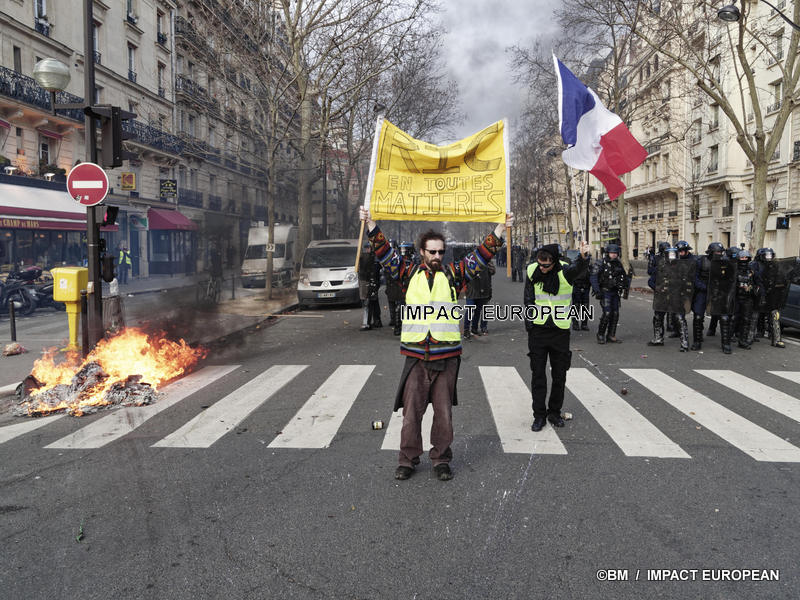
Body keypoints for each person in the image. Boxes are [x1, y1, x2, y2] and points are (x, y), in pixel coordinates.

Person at [360, 206, 513, 481]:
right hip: (416, 356)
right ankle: (407, 459)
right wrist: (371, 224)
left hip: (446, 356)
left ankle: (441, 459)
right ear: (422, 252)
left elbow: (481, 256)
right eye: (432, 252)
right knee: (411, 414)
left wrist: (500, 229)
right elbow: (385, 254)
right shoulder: (408, 274)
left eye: (441, 252)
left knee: (443, 415)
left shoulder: (454, 275)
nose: (437, 256)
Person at [524, 241, 591, 431]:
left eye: (546, 265)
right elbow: (528, 299)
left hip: (560, 331)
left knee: (559, 375)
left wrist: (584, 257)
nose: (543, 268)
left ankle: (554, 412)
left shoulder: (565, 271)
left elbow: (579, 269)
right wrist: (529, 325)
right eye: (540, 263)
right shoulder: (532, 271)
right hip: (538, 330)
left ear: (554, 261)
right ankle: (539, 415)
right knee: (538, 376)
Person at [590, 243, 631, 344]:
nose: (614, 255)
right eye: (612, 253)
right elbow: (593, 276)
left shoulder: (618, 263)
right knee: (607, 313)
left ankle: (611, 335)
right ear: (607, 253)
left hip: (615, 292)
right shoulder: (601, 263)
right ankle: (600, 334)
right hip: (605, 291)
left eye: (615, 253)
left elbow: (623, 277)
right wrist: (597, 290)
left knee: (615, 314)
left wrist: (626, 283)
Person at [690, 242, 724, 350]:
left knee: (724, 317)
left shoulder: (724, 262)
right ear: (711, 252)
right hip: (703, 291)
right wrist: (703, 287)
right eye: (717, 252)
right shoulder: (701, 261)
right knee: (698, 316)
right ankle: (697, 341)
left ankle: (726, 343)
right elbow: (694, 277)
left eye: (720, 252)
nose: (719, 254)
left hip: (717, 292)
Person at [463, 259, 495, 338]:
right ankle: (466, 330)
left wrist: (489, 264)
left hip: (483, 290)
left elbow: (492, 272)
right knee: (470, 310)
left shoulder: (487, 261)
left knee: (478, 311)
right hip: (472, 290)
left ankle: (474, 329)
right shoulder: (470, 260)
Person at [733, 250, 758, 349]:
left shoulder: (752, 271)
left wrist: (753, 289)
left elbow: (758, 283)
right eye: (742, 257)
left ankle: (742, 341)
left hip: (748, 298)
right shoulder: (734, 269)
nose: (744, 259)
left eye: (745, 258)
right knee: (733, 319)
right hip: (736, 297)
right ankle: (727, 340)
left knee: (746, 320)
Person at [358, 242, 382, 330]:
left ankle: (367, 323)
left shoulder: (373, 258)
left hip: (372, 281)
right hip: (371, 280)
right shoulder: (368, 257)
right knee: (374, 301)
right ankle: (377, 321)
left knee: (368, 301)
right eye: (366, 248)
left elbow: (374, 270)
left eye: (368, 248)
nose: (367, 249)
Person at [570, 247, 591, 331]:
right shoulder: (576, 263)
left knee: (585, 306)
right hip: (577, 286)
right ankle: (575, 323)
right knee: (576, 305)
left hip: (586, 286)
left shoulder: (590, 263)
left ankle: (584, 324)